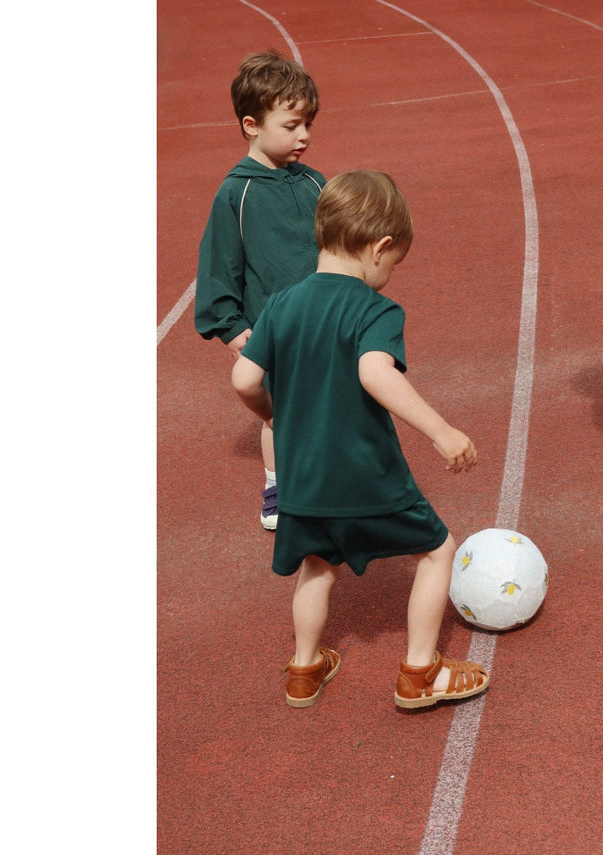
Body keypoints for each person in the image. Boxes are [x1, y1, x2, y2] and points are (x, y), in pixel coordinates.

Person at [231, 169, 490, 710]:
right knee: (437, 551)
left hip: (303, 478)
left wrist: (273, 416)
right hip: (365, 473)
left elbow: (244, 379)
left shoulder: (280, 304)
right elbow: (374, 372)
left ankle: (304, 670)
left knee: (316, 565)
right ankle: (420, 672)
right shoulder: (375, 309)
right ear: (380, 247)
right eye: (394, 264)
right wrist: (441, 430)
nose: (390, 275)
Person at [195, 50, 326, 531]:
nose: (304, 135)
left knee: (331, 408)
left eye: (308, 124)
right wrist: (232, 329)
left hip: (324, 322)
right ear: (251, 125)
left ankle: (328, 480)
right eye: (291, 125)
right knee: (279, 415)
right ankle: (278, 485)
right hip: (273, 330)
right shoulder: (237, 193)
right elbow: (218, 267)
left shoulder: (315, 184)